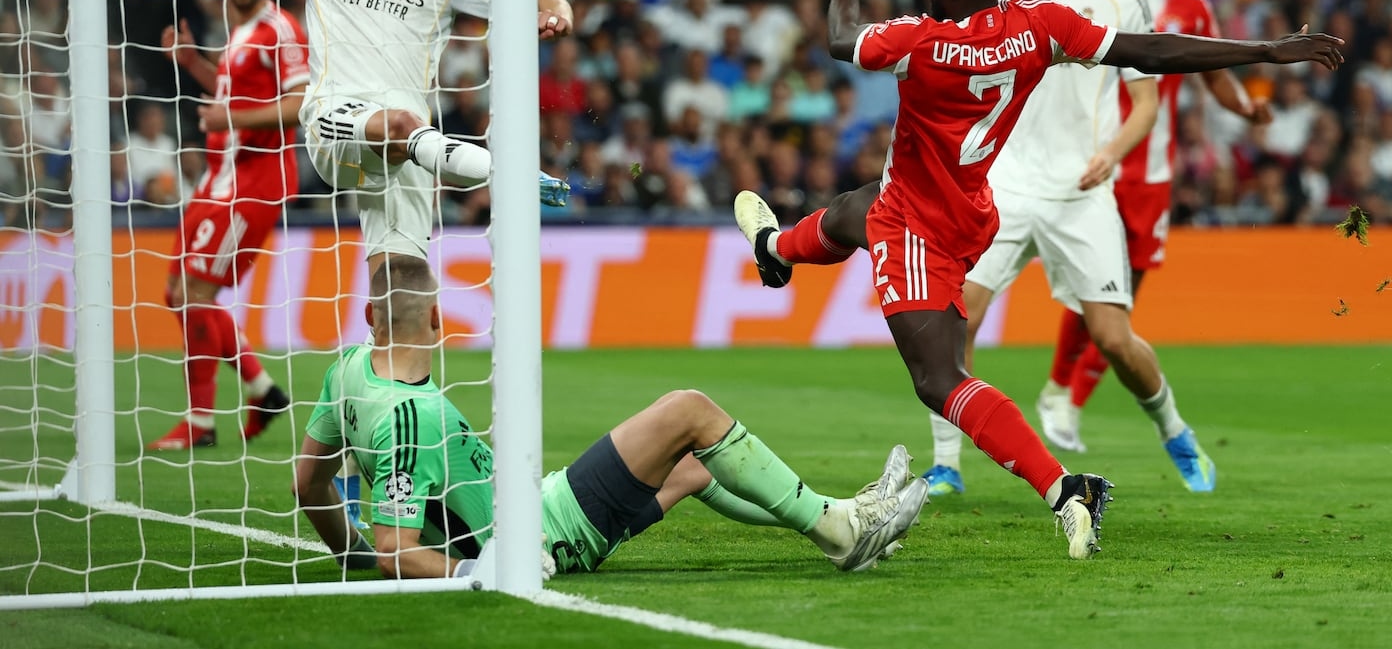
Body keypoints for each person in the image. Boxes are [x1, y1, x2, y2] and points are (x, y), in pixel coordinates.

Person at [734, 0, 1341, 557]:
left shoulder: (920, 41)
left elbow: (839, 37)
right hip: (971, 211)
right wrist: (1266, 50)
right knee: (855, 209)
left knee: (941, 382)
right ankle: (776, 252)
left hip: (920, 229)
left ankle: (1066, 488)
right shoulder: (1038, 27)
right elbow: (1153, 50)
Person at [90, 0, 573, 285]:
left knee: (406, 297)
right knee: (401, 124)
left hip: (411, 152)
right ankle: (512, 174)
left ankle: (372, 376)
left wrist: (560, 11)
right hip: (334, 123)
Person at [292, 255, 930, 578]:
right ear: (436, 319)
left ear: (370, 317)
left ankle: (837, 524)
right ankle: (843, 531)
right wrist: (474, 570)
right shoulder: (409, 417)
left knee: (693, 466)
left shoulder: (345, 371)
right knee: (690, 411)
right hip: (548, 531)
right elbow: (394, 548)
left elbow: (307, 484)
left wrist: (345, 554)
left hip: (536, 504)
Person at [1036, 0, 1276, 454]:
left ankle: (1065, 398)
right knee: (1087, 288)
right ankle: (1062, 396)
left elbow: (1213, 73)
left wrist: (1245, 110)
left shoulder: (1189, 4)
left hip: (1151, 171)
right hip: (1090, 159)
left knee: (1121, 298)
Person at [147, 0, 309, 450]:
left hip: (255, 179)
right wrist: (194, 62)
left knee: (196, 289)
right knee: (178, 291)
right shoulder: (237, 30)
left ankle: (199, 423)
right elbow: (226, 99)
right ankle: (262, 390)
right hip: (218, 178)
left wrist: (231, 117)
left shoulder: (281, 28)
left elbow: (301, 105)